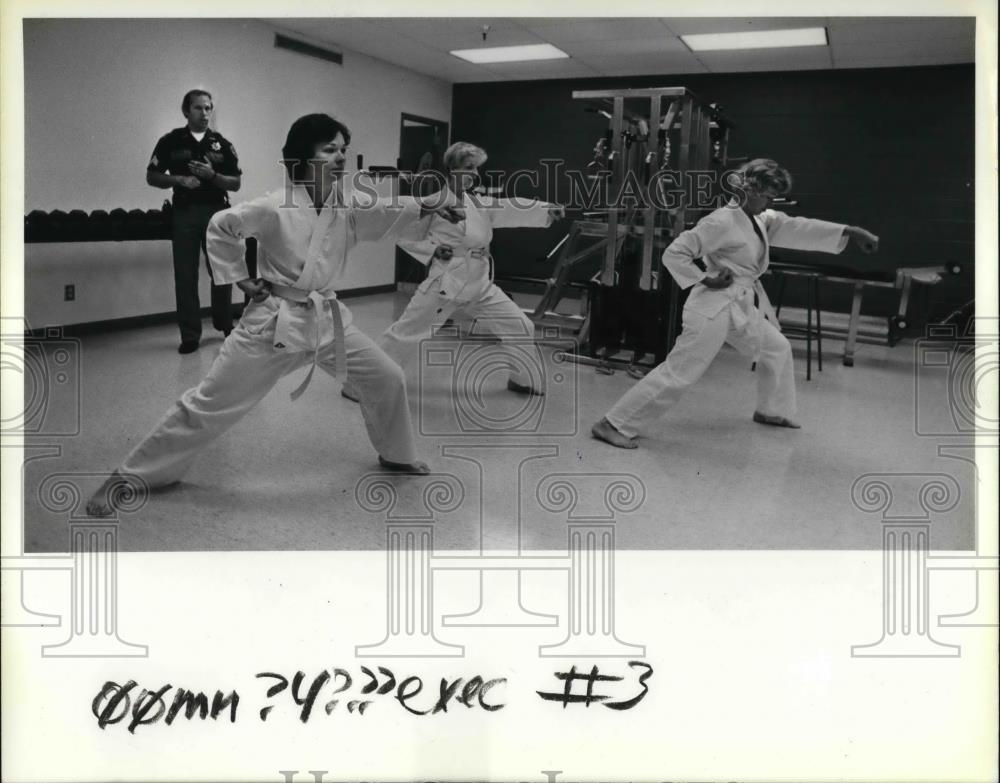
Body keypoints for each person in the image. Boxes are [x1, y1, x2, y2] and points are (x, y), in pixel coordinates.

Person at [86, 113, 463, 516]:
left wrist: (428, 204)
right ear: (302, 157)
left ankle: (396, 454)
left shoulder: (344, 205)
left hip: (327, 319)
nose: (340, 158)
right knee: (210, 402)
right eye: (329, 150)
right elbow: (221, 226)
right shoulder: (274, 206)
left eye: (343, 151)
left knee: (387, 377)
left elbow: (386, 211)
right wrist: (241, 279)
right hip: (273, 322)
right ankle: (130, 475)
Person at [591, 158, 880, 449]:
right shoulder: (722, 220)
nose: (770, 202)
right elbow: (675, 253)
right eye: (767, 195)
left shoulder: (757, 218)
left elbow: (794, 226)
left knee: (777, 349)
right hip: (712, 307)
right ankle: (613, 423)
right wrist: (705, 279)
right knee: (682, 370)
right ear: (751, 190)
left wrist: (850, 231)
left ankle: (771, 410)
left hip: (739, 306)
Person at [341, 141, 564, 402]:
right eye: (468, 168)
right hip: (446, 281)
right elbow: (403, 228)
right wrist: (431, 249)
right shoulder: (435, 201)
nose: (474, 174)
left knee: (520, 325)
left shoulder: (477, 203)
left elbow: (508, 206)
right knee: (406, 333)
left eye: (477, 169)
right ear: (452, 170)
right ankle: (360, 384)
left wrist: (545, 209)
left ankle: (520, 378)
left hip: (480, 283)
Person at [147, 89, 242, 353]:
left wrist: (212, 176)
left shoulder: (221, 144)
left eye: (208, 108)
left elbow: (235, 183)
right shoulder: (170, 141)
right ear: (186, 111)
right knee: (186, 274)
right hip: (185, 212)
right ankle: (190, 335)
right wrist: (179, 180)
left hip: (217, 212)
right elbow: (151, 176)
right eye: (199, 108)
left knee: (222, 271)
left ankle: (225, 325)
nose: (205, 113)